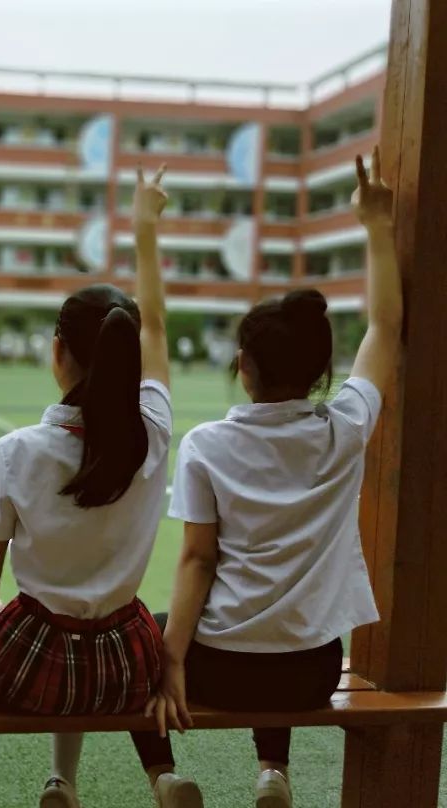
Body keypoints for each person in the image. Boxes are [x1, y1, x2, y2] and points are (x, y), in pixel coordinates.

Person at [131, 147, 401, 808]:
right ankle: (273, 770)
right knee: (286, 621)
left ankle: (165, 777)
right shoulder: (345, 427)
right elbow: (387, 327)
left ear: (243, 365)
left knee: (136, 640)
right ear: (317, 370)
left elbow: (196, 561)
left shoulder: (208, 446)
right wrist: (377, 226)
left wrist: (170, 658)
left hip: (218, 669)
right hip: (310, 671)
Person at [0, 165, 173, 808]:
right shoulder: (154, 433)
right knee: (123, 625)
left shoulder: (18, 452)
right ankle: (64, 782)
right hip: (125, 663)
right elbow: (155, 323)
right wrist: (147, 225)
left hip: (38, 660)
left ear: (59, 352)